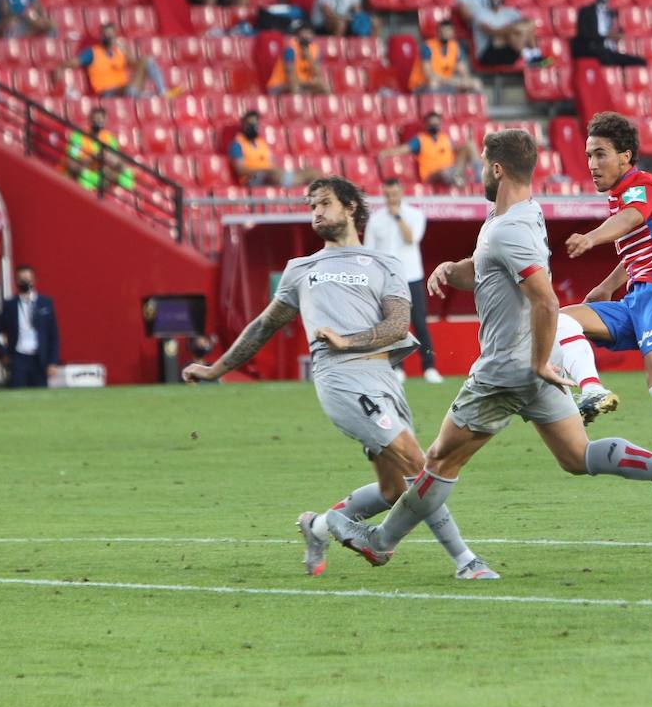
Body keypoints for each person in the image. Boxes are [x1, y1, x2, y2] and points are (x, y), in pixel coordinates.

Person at [322, 128, 652, 566]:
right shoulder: (522, 215)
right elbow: (489, 269)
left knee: (439, 461)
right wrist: (450, 269)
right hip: (537, 367)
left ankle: (380, 542)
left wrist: (537, 361)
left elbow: (546, 299)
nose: (479, 171)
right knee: (578, 456)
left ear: (497, 169)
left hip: (505, 368)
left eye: (482, 164)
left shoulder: (509, 229)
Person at [181, 176, 498, 580]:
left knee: (394, 489)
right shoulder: (302, 269)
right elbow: (263, 326)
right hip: (341, 379)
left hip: (382, 376)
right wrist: (215, 368)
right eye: (312, 205)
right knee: (418, 464)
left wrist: (349, 338)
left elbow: (399, 324)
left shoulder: (385, 263)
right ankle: (465, 561)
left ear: (350, 207)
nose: (316, 211)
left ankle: (317, 526)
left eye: (325, 203)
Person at [550, 112, 652, 480]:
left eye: (601, 154)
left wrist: (591, 238)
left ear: (625, 156)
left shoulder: (642, 186)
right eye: (589, 155)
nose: (592, 164)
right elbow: (641, 244)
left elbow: (632, 219)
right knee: (559, 320)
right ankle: (591, 389)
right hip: (635, 299)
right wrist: (608, 285)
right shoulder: (620, 195)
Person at [365, 178, 443, 384]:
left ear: (401, 192)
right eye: (388, 194)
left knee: (419, 322)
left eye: (394, 194)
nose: (391, 198)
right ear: (384, 194)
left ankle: (429, 367)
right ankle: (397, 367)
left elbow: (411, 238)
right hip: (387, 280)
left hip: (411, 276)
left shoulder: (415, 215)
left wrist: (397, 217)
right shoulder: (375, 219)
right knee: (393, 324)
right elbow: (369, 252)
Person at [0, 265, 61, 389]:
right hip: (18, 358)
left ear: (34, 281)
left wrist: (53, 361)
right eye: (21, 279)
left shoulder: (45, 303)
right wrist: (2, 352)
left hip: (39, 358)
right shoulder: (9, 305)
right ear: (16, 282)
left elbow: (53, 336)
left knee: (40, 395)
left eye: (28, 279)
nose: (25, 282)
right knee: (17, 393)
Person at [62, 22, 173, 98]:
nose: (108, 37)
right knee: (129, 88)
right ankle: (152, 94)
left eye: (111, 34)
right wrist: (60, 67)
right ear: (101, 36)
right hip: (107, 92)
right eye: (105, 34)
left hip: (126, 90)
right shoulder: (93, 52)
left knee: (147, 60)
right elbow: (75, 62)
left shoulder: (119, 52)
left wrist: (126, 50)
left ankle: (161, 92)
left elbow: (135, 64)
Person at [377, 112, 480, 187]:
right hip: (432, 174)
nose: (434, 126)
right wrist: (385, 153)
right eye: (431, 124)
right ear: (426, 125)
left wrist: (464, 152)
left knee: (470, 145)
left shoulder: (445, 138)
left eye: (436, 124)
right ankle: (457, 178)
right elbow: (403, 149)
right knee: (443, 173)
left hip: (451, 170)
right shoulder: (420, 140)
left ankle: (479, 177)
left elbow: (457, 150)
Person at [227, 110, 317, 188]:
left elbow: (271, 163)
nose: (252, 127)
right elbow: (241, 170)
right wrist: (265, 170)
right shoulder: (237, 145)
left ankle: (299, 180)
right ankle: (296, 182)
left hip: (270, 174)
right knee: (273, 174)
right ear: (244, 125)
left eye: (255, 124)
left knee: (311, 172)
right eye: (249, 124)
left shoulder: (262, 143)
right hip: (252, 178)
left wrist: (274, 169)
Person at [571, 0, 645, 67]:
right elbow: (583, 34)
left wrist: (618, 35)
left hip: (609, 51)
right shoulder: (585, 12)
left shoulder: (611, 13)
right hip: (593, 49)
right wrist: (605, 36)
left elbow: (617, 31)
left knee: (640, 61)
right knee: (606, 57)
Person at [472, 0, 546, 67]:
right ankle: (531, 58)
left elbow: (530, 23)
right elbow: (491, 32)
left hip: (510, 51)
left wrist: (519, 29)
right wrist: (512, 29)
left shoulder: (511, 12)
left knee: (526, 30)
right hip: (488, 54)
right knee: (507, 34)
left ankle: (535, 56)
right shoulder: (480, 14)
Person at [65, 107, 135, 192]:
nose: (98, 122)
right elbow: (71, 165)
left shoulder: (109, 138)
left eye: (101, 119)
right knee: (84, 175)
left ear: (105, 120)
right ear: (90, 120)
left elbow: (119, 160)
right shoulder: (78, 137)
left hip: (103, 174)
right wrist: (93, 157)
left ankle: (127, 199)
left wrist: (113, 160)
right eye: (96, 119)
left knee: (126, 172)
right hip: (86, 174)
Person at [407, 19, 482, 93]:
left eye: (448, 31)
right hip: (421, 85)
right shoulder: (427, 47)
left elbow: (463, 70)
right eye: (442, 31)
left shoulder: (455, 47)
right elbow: (429, 75)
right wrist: (452, 81)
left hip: (445, 83)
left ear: (453, 33)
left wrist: (465, 80)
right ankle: (435, 105)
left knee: (475, 83)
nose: (444, 33)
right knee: (434, 83)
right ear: (438, 32)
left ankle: (468, 105)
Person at [266, 21, 331, 95]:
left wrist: (309, 58)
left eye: (309, 33)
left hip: (302, 84)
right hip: (279, 85)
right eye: (304, 32)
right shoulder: (290, 50)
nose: (306, 36)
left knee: (324, 89)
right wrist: (306, 85)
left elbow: (318, 74)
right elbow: (290, 77)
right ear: (298, 35)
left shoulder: (315, 50)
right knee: (295, 87)